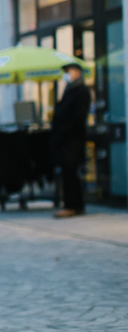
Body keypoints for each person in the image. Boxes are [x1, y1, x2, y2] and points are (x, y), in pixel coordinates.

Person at [52, 62, 91, 217]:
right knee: (68, 172)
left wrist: (65, 130)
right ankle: (74, 204)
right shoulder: (70, 90)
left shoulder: (81, 91)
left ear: (77, 72)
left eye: (70, 71)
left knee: (70, 172)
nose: (67, 74)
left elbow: (79, 116)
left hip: (72, 140)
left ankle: (72, 205)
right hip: (66, 139)